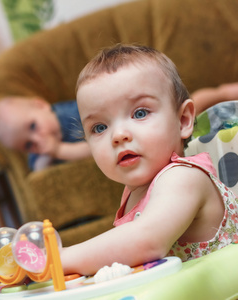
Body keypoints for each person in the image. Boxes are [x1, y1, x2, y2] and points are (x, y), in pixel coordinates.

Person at [60, 44, 238, 276]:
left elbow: (147, 241)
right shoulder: (134, 193)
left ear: (183, 120)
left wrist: (60, 259)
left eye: (140, 113)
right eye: (100, 127)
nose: (118, 135)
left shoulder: (184, 177)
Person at [0, 96, 91, 171]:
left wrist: (58, 150)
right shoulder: (38, 152)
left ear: (41, 106)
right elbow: (39, 171)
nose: (37, 139)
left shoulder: (74, 112)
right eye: (28, 144)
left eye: (33, 126)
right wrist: (47, 154)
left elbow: (93, 150)